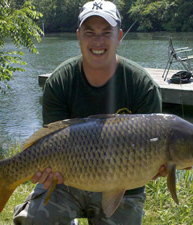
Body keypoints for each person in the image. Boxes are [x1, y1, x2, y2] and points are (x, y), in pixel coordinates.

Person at [13, 1, 165, 224]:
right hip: (66, 182)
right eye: (90, 33)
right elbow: (52, 142)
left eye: (106, 33)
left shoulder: (142, 86)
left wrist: (162, 166)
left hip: (123, 186)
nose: (98, 41)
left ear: (119, 36)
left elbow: (157, 154)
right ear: (78, 36)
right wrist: (45, 172)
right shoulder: (60, 82)